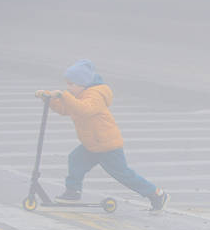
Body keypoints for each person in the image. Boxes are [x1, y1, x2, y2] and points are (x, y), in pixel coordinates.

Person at [36, 59, 170, 211]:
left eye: (71, 84)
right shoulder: (78, 96)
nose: (68, 88)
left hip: (107, 145)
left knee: (123, 174)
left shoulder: (95, 95)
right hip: (92, 144)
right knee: (75, 159)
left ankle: (156, 194)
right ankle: (73, 192)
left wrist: (64, 96)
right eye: (67, 84)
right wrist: (49, 99)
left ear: (83, 84)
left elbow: (84, 110)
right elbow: (65, 109)